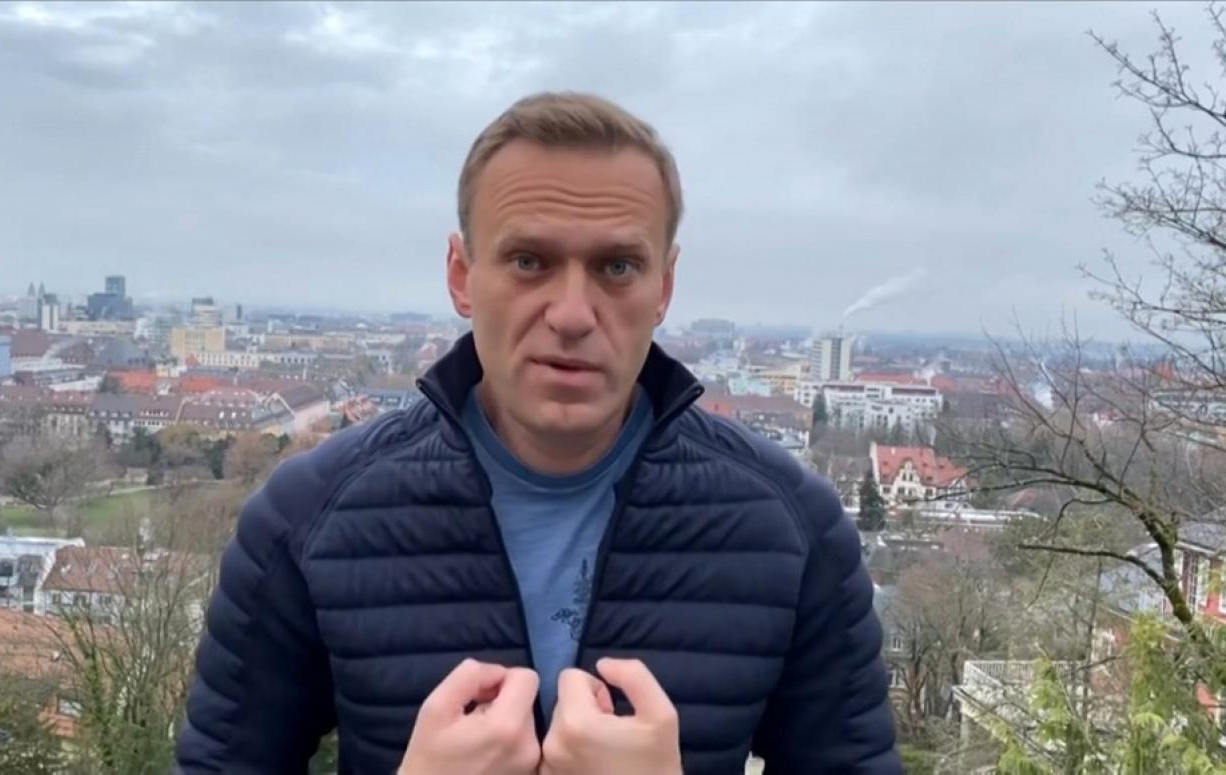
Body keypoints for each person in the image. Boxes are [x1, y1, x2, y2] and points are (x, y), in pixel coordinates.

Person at [175, 92, 899, 774]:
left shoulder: (791, 529)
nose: (573, 313)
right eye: (529, 262)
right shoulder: (306, 521)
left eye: (617, 266)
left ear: (664, 287)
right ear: (461, 275)